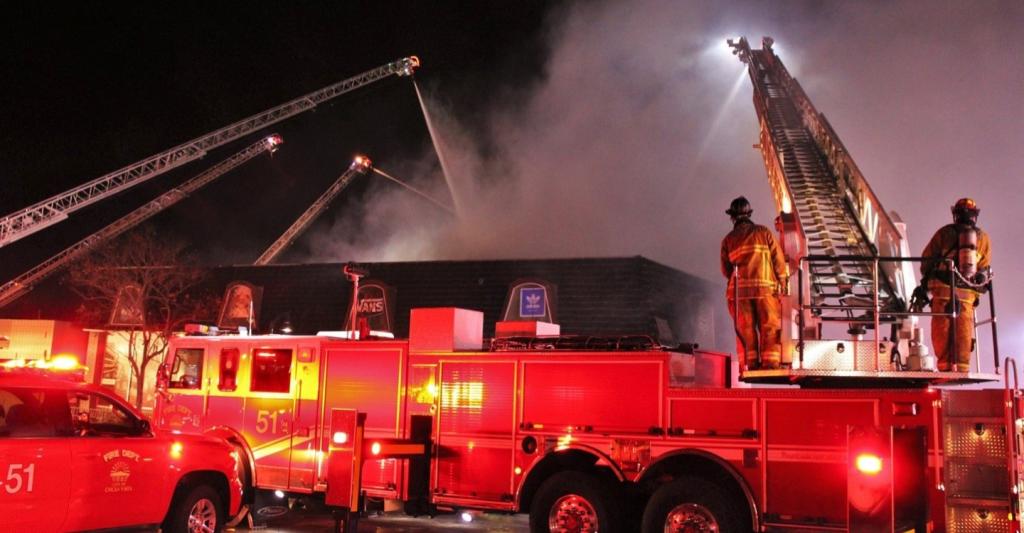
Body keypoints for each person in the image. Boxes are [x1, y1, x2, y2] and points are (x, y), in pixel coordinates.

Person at [921, 198, 991, 372]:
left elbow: (926, 261)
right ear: (975, 215)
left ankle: (946, 367)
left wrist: (927, 282)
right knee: (964, 331)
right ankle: (961, 368)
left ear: (955, 214)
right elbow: (984, 267)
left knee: (942, 331)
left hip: (943, 289)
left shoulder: (944, 233)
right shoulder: (983, 238)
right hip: (967, 295)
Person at [720, 197, 790, 370]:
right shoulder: (764, 232)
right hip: (764, 290)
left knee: (745, 329)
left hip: (739, 294)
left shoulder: (728, 240)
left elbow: (725, 271)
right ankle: (770, 363)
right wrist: (783, 281)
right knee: (769, 326)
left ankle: (749, 364)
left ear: (733, 217)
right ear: (749, 214)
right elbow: (779, 261)